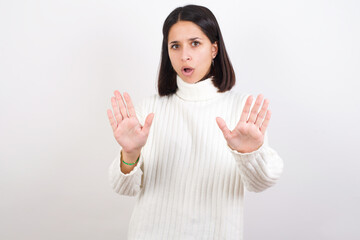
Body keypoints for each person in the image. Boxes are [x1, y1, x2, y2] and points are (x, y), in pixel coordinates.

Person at [107, 4, 284, 240]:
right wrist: (130, 153)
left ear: (214, 49)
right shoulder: (149, 109)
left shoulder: (242, 110)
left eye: (195, 43)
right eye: (175, 46)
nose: (185, 55)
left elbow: (261, 183)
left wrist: (248, 153)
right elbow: (124, 188)